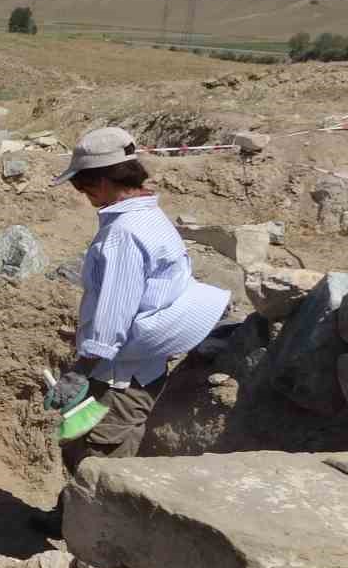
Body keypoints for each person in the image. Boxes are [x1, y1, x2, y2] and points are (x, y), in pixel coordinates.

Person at [37, 127, 229, 532]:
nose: (85, 197)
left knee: (101, 453)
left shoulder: (123, 234)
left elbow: (112, 318)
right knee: (96, 443)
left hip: (121, 373)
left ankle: (100, 540)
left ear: (105, 181)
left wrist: (79, 372)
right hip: (140, 364)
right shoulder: (149, 214)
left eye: (86, 187)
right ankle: (73, 518)